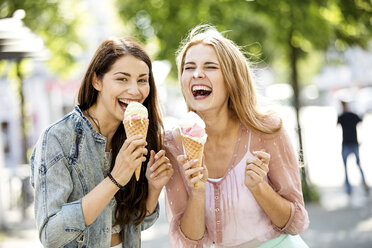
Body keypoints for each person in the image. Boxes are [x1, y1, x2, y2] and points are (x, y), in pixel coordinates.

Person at [164, 25, 309, 248]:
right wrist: (197, 192)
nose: (197, 74)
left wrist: (259, 186)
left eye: (210, 66)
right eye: (188, 67)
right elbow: (189, 244)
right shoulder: (173, 144)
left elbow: (296, 222)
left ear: (231, 77)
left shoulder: (267, 129)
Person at [30, 37, 173, 248]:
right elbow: (51, 236)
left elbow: (137, 223)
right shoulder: (58, 139)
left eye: (142, 80)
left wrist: (153, 188)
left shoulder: (135, 137)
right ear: (97, 80)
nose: (135, 91)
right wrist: (115, 179)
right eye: (122, 79)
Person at [337, 100, 369, 196]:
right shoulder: (348, 116)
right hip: (350, 143)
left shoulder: (343, 116)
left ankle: (358, 184)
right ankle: (350, 187)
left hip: (350, 144)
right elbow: (361, 120)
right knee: (352, 166)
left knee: (354, 165)